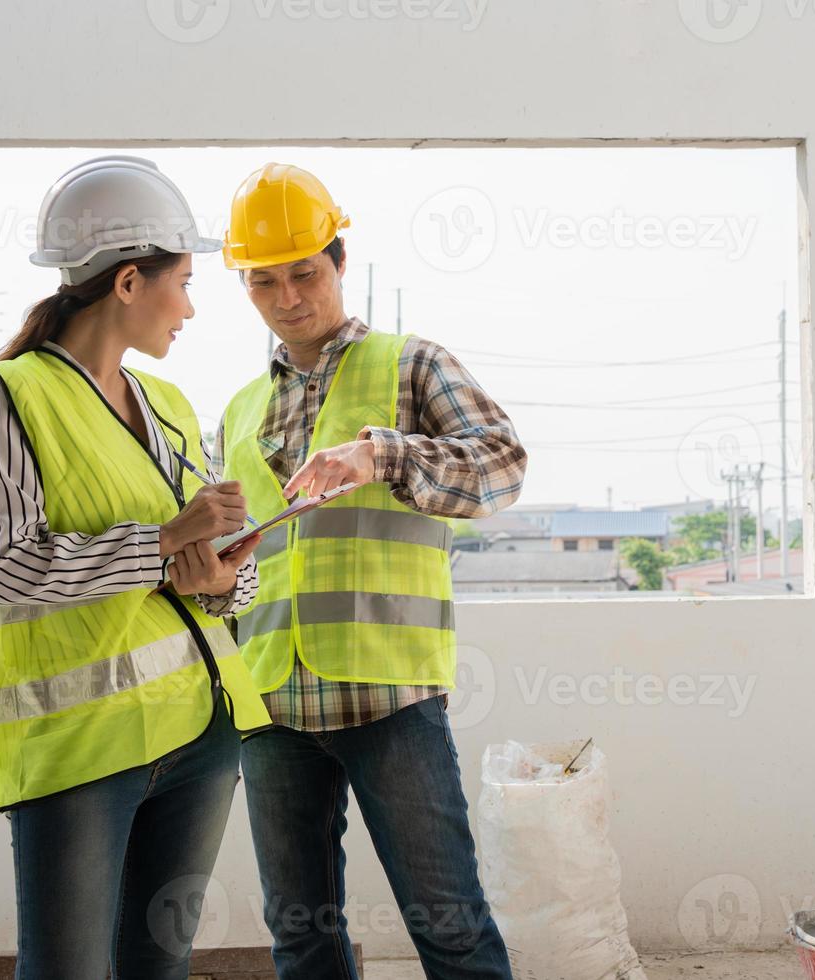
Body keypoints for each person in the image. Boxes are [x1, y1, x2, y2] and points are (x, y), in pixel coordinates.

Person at [0, 155, 271, 979]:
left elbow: (226, 565)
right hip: (80, 745)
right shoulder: (4, 398)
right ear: (127, 281)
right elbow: (7, 566)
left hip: (201, 729)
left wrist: (224, 578)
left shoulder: (170, 407)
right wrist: (159, 543)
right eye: (183, 282)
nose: (190, 307)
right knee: (69, 969)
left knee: (158, 966)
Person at [216, 162, 527, 979]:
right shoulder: (240, 409)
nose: (288, 298)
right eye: (264, 281)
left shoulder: (411, 365)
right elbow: (258, 563)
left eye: (305, 273)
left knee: (450, 927)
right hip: (273, 705)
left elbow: (501, 468)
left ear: (339, 262)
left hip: (389, 696)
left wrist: (381, 453)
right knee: (301, 938)